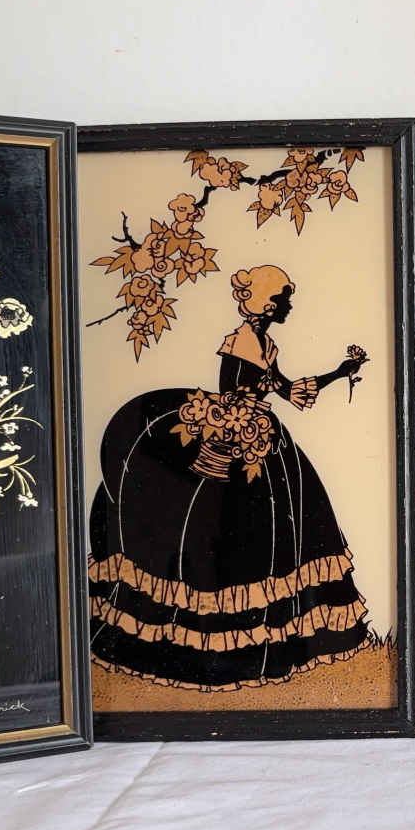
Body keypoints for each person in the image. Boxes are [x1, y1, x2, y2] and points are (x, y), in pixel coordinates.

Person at [88, 264, 370, 690]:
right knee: (224, 537)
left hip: (262, 440)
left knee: (278, 536)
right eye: (284, 298)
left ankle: (271, 638)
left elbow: (290, 391)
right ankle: (210, 644)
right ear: (267, 304)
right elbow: (232, 394)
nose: (289, 306)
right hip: (233, 440)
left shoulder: (265, 342)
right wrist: (234, 430)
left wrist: (340, 371)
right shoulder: (241, 341)